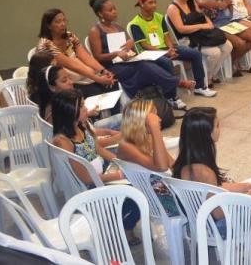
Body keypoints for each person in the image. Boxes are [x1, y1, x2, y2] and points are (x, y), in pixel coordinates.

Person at [172, 107, 251, 257]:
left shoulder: (186, 162)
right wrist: (250, 195)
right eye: (217, 125)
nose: (220, 129)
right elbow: (219, 213)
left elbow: (215, 188)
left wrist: (247, 186)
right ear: (206, 134)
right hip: (217, 226)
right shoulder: (204, 171)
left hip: (202, 219)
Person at [50, 90, 140, 242]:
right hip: (92, 184)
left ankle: (123, 218)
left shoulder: (78, 126)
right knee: (136, 191)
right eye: (82, 107)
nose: (86, 109)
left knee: (137, 168)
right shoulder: (63, 141)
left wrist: (119, 162)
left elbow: (98, 149)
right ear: (69, 111)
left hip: (101, 171)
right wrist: (119, 175)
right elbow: (85, 178)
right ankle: (126, 227)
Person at [86, 0, 194, 109]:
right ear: (100, 13)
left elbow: (128, 49)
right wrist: (116, 54)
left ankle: (171, 96)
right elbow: (97, 57)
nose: (114, 12)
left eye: (114, 8)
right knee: (144, 66)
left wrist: (130, 45)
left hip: (125, 61)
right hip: (111, 67)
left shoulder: (118, 27)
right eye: (110, 10)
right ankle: (177, 83)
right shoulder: (95, 31)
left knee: (158, 63)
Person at [128, 0, 216, 97]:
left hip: (166, 48)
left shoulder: (159, 17)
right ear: (141, 4)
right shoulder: (135, 23)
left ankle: (200, 87)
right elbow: (144, 45)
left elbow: (166, 36)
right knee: (166, 62)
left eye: (155, 2)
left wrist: (171, 49)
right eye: (150, 3)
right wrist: (165, 52)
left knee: (195, 54)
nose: (154, 5)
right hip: (151, 53)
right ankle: (172, 97)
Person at [116, 99, 179, 216]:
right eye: (154, 117)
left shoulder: (148, 137)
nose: (159, 119)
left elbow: (171, 164)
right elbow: (162, 167)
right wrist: (155, 129)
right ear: (140, 121)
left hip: (163, 187)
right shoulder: (126, 145)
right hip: (154, 198)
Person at [166, 0, 233, 88]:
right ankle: (205, 78)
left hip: (201, 35)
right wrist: (201, 26)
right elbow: (181, 29)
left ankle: (210, 75)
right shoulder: (173, 8)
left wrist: (209, 23)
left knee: (228, 46)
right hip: (186, 40)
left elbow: (202, 16)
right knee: (214, 52)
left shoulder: (191, 3)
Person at [36, 9, 116, 98]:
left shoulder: (69, 36)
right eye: (58, 22)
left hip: (79, 74)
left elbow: (85, 56)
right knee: (96, 89)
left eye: (64, 20)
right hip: (60, 81)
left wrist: (103, 71)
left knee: (112, 83)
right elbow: (72, 65)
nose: (63, 24)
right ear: (49, 26)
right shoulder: (46, 44)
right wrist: (98, 79)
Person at [196, 0, 251, 77]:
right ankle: (232, 63)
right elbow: (202, 3)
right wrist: (221, 4)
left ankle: (235, 59)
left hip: (229, 23)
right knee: (240, 43)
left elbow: (228, 8)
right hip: (216, 27)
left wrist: (228, 5)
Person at [29, 64, 121, 130]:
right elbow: (83, 137)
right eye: (64, 81)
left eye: (69, 78)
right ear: (52, 87)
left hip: (90, 133)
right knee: (125, 119)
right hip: (88, 141)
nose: (71, 82)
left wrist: (87, 114)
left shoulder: (60, 102)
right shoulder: (57, 110)